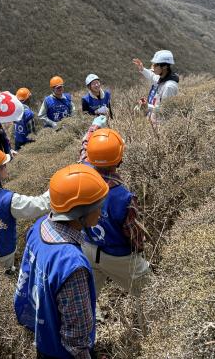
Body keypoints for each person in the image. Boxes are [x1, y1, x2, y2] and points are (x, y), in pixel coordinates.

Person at [15, 164, 108, 359]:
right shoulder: (71, 264)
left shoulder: (39, 227)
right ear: (79, 213)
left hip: (44, 337)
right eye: (98, 205)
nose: (101, 210)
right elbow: (76, 337)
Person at [82, 128, 150, 320]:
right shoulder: (124, 197)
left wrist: (89, 135)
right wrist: (140, 249)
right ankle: (152, 335)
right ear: (119, 159)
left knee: (87, 297)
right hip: (119, 256)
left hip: (87, 247)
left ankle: (87, 332)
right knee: (149, 294)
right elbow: (133, 234)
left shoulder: (83, 177)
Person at [132, 50, 179, 122]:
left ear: (165, 66)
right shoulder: (161, 77)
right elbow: (152, 76)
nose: (153, 67)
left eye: (156, 65)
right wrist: (142, 69)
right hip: (153, 118)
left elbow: (166, 110)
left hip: (160, 124)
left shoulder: (169, 87)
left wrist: (147, 106)